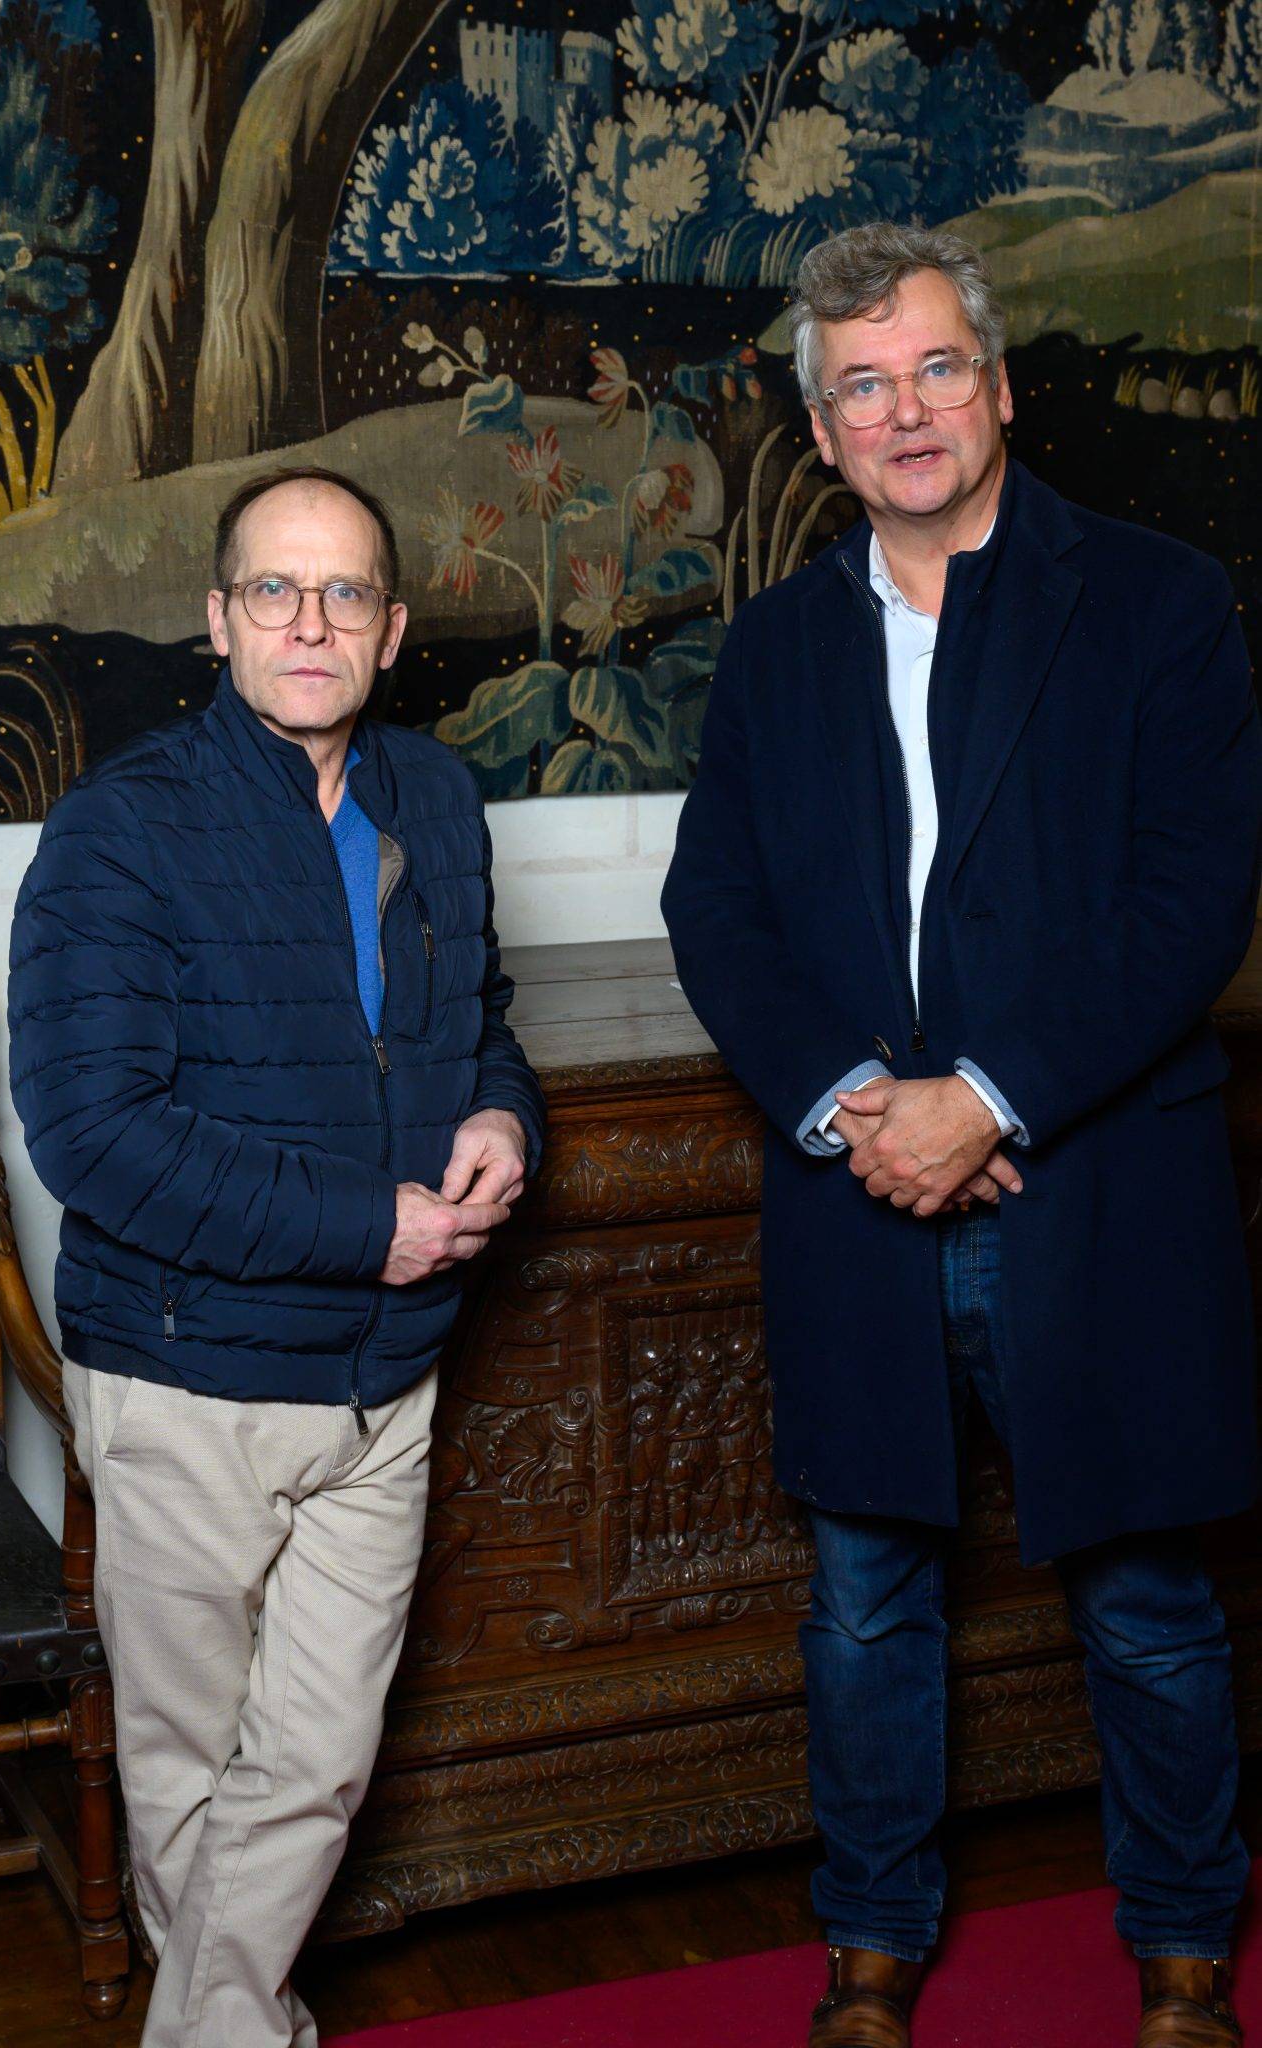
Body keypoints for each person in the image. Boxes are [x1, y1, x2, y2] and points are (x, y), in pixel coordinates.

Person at [661, 222, 1262, 2048]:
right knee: (861, 1602)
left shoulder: (1156, 600)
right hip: (858, 1194)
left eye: (933, 368)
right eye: (862, 385)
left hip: (1094, 1181)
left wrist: (985, 1097)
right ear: (821, 432)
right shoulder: (775, 646)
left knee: (1146, 1599)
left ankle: (1181, 1952)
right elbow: (717, 911)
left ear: (993, 387)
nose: (903, 410)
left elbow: (1189, 903)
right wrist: (859, 1109)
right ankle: (868, 1950)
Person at [8, 465, 545, 2048]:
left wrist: (503, 1119)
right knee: (189, 1779)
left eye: (345, 593)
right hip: (190, 1379)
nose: (310, 622)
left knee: (313, 1766)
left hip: (388, 1379)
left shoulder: (434, 797)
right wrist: (368, 1226)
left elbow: (483, 1023)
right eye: (273, 591)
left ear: (392, 628)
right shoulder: (118, 832)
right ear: (218, 619)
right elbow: (94, 1136)